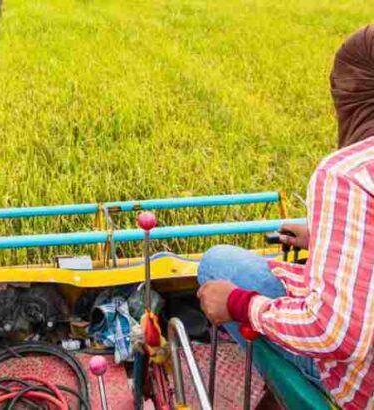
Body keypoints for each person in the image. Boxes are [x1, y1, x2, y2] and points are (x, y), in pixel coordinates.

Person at [197, 24, 374, 409]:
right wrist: (323, 235)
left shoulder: (347, 173)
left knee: (218, 264)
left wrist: (240, 304)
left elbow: (338, 333)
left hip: (364, 384)